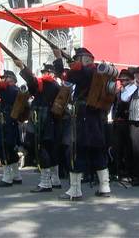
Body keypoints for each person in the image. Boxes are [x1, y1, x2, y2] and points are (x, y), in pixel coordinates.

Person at [53, 47, 112, 201]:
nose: (76, 61)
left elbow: (63, 75)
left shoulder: (86, 72)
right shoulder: (97, 72)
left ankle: (75, 190)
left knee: (76, 151)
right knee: (97, 151)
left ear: (85, 59)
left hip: (84, 115)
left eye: (77, 58)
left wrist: (59, 58)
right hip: (95, 117)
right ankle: (105, 186)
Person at [18, 62, 63, 192]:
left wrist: (22, 68)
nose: (43, 74)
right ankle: (55, 180)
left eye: (45, 72)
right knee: (51, 150)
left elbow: (32, 82)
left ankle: (45, 183)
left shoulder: (49, 84)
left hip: (44, 121)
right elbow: (33, 86)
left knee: (42, 149)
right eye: (43, 72)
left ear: (51, 74)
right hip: (51, 121)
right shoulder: (53, 85)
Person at [0, 69, 24, 188]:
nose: (4, 80)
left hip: (7, 123)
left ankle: (7, 177)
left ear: (12, 80)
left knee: (3, 148)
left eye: (6, 78)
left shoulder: (12, 89)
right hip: (9, 122)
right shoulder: (12, 90)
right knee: (9, 148)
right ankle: (16, 175)